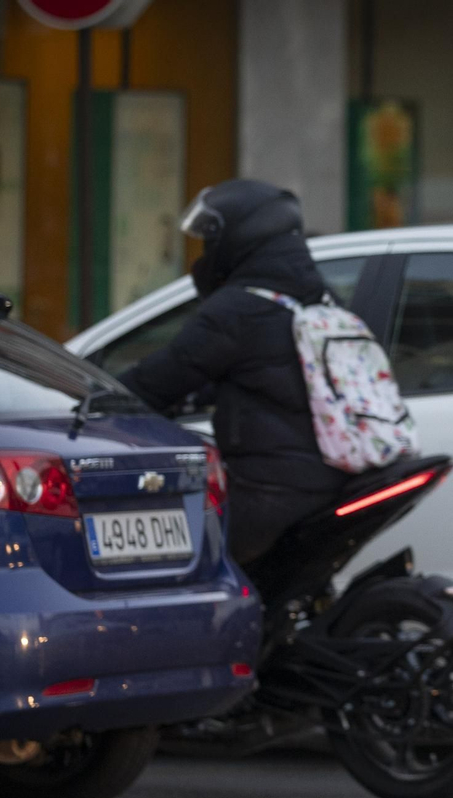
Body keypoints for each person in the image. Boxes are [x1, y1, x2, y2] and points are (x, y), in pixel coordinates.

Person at [118, 180, 351, 565]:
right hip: (334, 476)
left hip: (269, 488)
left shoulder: (235, 311)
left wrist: (95, 396)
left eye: (210, 238)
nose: (205, 251)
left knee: (174, 564)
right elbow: (269, 376)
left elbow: (157, 381)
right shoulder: (318, 299)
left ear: (240, 237)